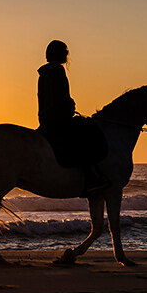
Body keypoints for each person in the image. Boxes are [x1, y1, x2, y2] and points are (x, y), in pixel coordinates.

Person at [37, 40, 108, 195]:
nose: (67, 54)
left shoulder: (45, 72)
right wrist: (70, 106)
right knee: (87, 133)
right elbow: (61, 97)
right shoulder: (57, 71)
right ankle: (90, 178)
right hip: (58, 118)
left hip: (47, 118)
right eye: (65, 51)